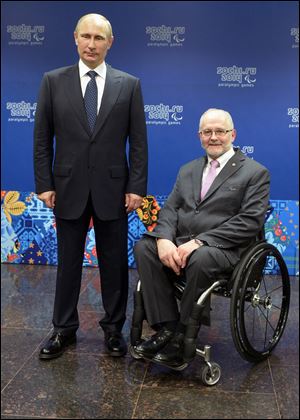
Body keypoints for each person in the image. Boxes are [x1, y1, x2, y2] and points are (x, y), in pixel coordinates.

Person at [34, 13, 148, 360]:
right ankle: (63, 329)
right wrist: (44, 184)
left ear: (109, 43)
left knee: (114, 264)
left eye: (99, 38)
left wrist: (136, 187)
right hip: (66, 188)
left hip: (113, 190)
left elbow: (139, 143)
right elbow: (42, 140)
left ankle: (114, 330)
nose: (91, 43)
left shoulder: (129, 85)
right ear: (75, 38)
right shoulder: (52, 81)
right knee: (67, 263)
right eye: (85, 36)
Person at [133, 108, 270, 369]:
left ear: (233, 134)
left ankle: (185, 335)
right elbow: (171, 209)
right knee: (144, 247)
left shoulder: (255, 172)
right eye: (208, 132)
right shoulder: (188, 170)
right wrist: (163, 239)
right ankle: (167, 327)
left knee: (201, 256)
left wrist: (200, 241)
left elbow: (250, 221)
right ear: (200, 136)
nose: (214, 137)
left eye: (220, 131)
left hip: (227, 250)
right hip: (184, 243)